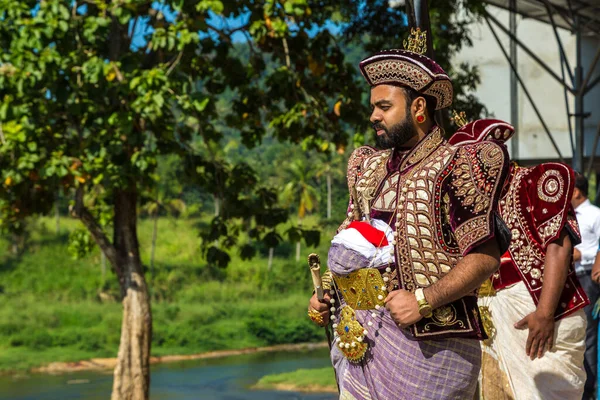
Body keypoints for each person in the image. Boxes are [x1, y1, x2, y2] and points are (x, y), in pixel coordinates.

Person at [306, 29, 511, 400]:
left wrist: (424, 299)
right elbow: (353, 242)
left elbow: (485, 257)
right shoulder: (367, 167)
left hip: (434, 349)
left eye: (384, 107)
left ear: (418, 109)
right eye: (373, 107)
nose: (373, 116)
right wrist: (327, 294)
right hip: (360, 340)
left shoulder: (456, 164)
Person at [449, 119, 589, 399]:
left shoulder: (536, 180)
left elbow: (558, 246)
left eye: (467, 166)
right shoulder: (474, 206)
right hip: (493, 317)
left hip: (544, 317)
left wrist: (545, 313)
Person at [571, 173, 600, 399]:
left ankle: (588, 390)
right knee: (575, 333)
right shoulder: (567, 215)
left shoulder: (594, 214)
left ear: (577, 192)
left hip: (589, 278)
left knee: (588, 334)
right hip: (571, 278)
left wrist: (582, 254)